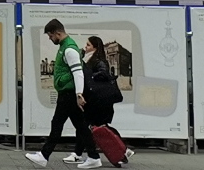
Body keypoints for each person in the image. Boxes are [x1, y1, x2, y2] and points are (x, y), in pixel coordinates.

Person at [25, 19, 101, 169]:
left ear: (57, 33)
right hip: (69, 92)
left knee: (57, 124)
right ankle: (93, 157)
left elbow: (78, 72)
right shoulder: (66, 47)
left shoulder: (69, 50)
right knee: (81, 126)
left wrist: (79, 94)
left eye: (50, 35)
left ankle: (44, 155)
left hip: (68, 93)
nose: (50, 38)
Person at [65, 36, 132, 167]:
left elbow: (104, 73)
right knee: (93, 127)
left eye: (88, 45)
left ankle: (78, 154)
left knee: (88, 127)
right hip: (95, 101)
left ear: (95, 47)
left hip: (98, 102)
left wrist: (90, 77)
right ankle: (122, 150)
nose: (85, 47)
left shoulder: (98, 60)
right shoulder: (89, 59)